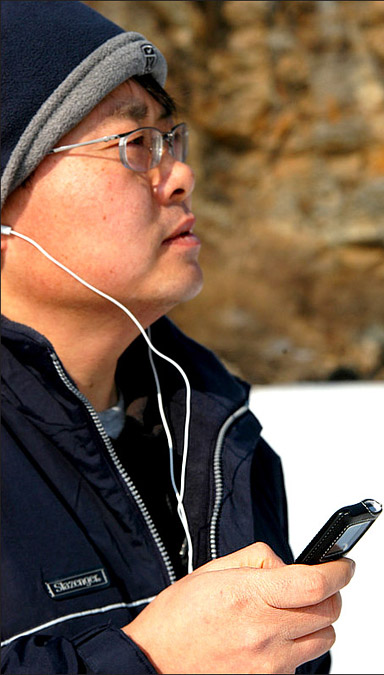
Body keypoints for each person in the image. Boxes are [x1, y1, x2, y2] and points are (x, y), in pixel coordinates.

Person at [0, 2, 355, 673]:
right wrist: (153, 661)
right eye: (134, 144)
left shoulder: (214, 428)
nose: (181, 175)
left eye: (171, 139)